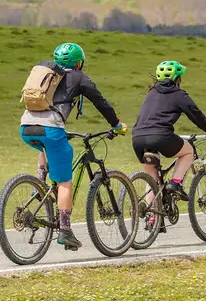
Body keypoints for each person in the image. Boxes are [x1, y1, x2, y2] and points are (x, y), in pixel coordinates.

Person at [20, 42, 127, 249]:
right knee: (64, 181)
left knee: (45, 147)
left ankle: (39, 184)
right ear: (78, 63)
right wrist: (116, 124)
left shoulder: (47, 74)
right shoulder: (79, 77)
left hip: (26, 127)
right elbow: (100, 102)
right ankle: (65, 231)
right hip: (51, 130)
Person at [131, 60, 206, 202]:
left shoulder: (150, 93)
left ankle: (150, 214)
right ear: (177, 78)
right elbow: (197, 117)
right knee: (188, 151)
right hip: (161, 136)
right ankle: (175, 184)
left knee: (153, 181)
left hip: (138, 138)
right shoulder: (179, 94)